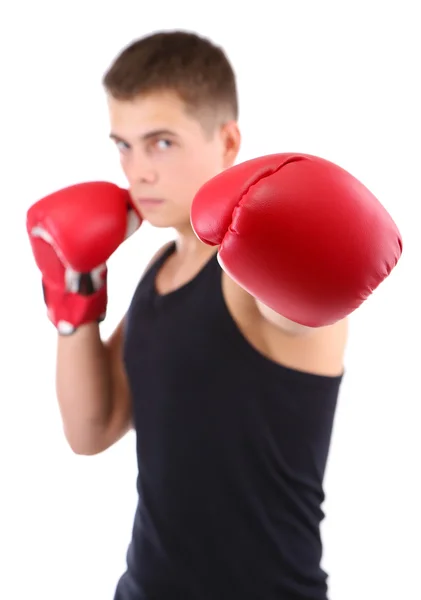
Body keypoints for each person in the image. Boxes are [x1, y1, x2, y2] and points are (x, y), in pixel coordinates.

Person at [26, 31, 402, 600]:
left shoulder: (259, 278)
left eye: (161, 143)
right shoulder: (156, 271)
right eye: (123, 146)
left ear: (228, 141)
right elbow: (91, 430)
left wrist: (310, 237)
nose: (137, 171)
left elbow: (301, 319)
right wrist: (76, 291)